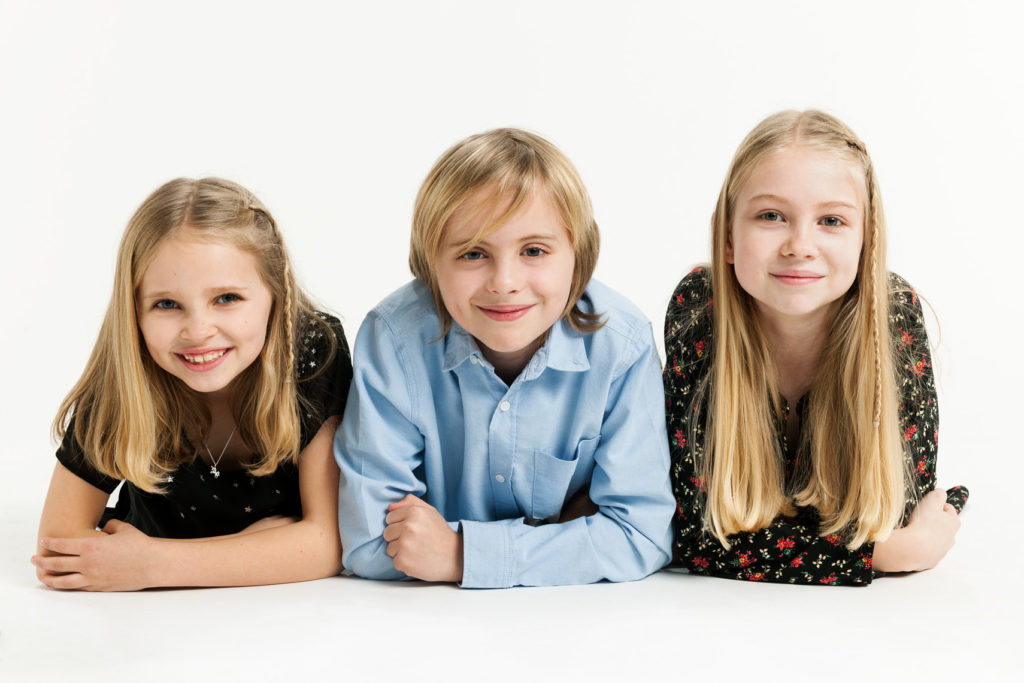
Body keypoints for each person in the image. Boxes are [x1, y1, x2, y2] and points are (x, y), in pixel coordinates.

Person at [335, 128, 674, 588]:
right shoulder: (394, 339)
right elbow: (370, 543)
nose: (505, 281)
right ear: (430, 262)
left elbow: (640, 535)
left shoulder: (622, 345)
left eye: (534, 250)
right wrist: (567, 539)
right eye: (473, 253)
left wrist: (461, 554)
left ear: (579, 255)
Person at [664, 110, 967, 586]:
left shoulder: (892, 317)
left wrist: (885, 541)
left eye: (831, 220)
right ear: (727, 237)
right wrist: (881, 555)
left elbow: (898, 514)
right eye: (771, 216)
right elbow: (694, 534)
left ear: (867, 241)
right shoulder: (700, 310)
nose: (800, 245)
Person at [32, 177, 352, 590]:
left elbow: (328, 543)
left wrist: (150, 566)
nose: (198, 330)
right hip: (151, 623)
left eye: (227, 298)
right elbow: (57, 546)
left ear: (277, 295)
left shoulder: (310, 352)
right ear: (135, 313)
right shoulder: (125, 374)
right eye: (167, 304)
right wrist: (257, 551)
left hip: (283, 619)